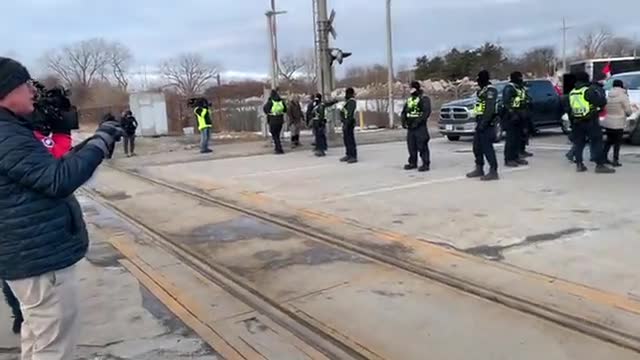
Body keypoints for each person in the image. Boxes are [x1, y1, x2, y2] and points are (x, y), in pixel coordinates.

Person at [0, 57, 123, 360]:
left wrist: (93, 143)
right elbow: (58, 179)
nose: (32, 90)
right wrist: (100, 142)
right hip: (38, 261)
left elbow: (44, 168)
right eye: (25, 84)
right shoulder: (6, 135)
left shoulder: (10, 131)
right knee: (54, 346)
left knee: (39, 335)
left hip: (27, 256)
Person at [565, 71, 614, 173]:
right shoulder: (588, 91)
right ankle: (599, 165)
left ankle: (579, 164)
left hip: (577, 121)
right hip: (590, 120)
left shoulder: (572, 92)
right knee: (596, 141)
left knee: (579, 143)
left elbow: (569, 108)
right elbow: (601, 102)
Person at [467, 70, 499, 181]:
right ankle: (479, 168)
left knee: (487, 148)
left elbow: (489, 109)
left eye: (479, 79)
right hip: (480, 121)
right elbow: (480, 106)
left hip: (487, 123)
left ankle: (493, 171)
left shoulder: (491, 91)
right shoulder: (481, 91)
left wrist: (484, 123)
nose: (477, 81)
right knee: (477, 147)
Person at [401, 81, 432, 171]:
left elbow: (426, 112)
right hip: (410, 127)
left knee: (422, 145)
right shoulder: (410, 99)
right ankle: (412, 162)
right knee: (411, 146)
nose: (410, 90)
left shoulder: (424, 98)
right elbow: (405, 111)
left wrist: (417, 122)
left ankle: (425, 163)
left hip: (420, 127)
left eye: (412, 88)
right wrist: (403, 121)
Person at [602, 79, 632, 167]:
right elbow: (628, 110)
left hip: (608, 122)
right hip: (618, 122)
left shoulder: (608, 95)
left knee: (609, 141)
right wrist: (629, 114)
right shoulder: (623, 96)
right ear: (621, 85)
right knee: (617, 142)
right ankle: (615, 160)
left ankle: (603, 157)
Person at [502, 71, 529, 167]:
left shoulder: (520, 88)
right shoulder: (509, 88)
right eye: (520, 77)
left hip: (521, 115)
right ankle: (509, 159)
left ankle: (516, 156)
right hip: (512, 117)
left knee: (518, 138)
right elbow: (506, 102)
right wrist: (512, 113)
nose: (521, 79)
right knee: (511, 139)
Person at [263, 89, 287, 154]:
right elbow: (285, 109)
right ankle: (278, 148)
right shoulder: (280, 101)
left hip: (273, 120)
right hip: (280, 120)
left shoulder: (271, 101)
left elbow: (265, 109)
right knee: (277, 135)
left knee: (274, 135)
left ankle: (279, 149)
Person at [340, 87, 358, 163]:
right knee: (346, 139)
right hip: (345, 122)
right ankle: (348, 154)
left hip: (349, 123)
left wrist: (346, 123)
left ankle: (353, 156)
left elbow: (349, 114)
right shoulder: (348, 101)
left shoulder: (351, 101)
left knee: (350, 139)